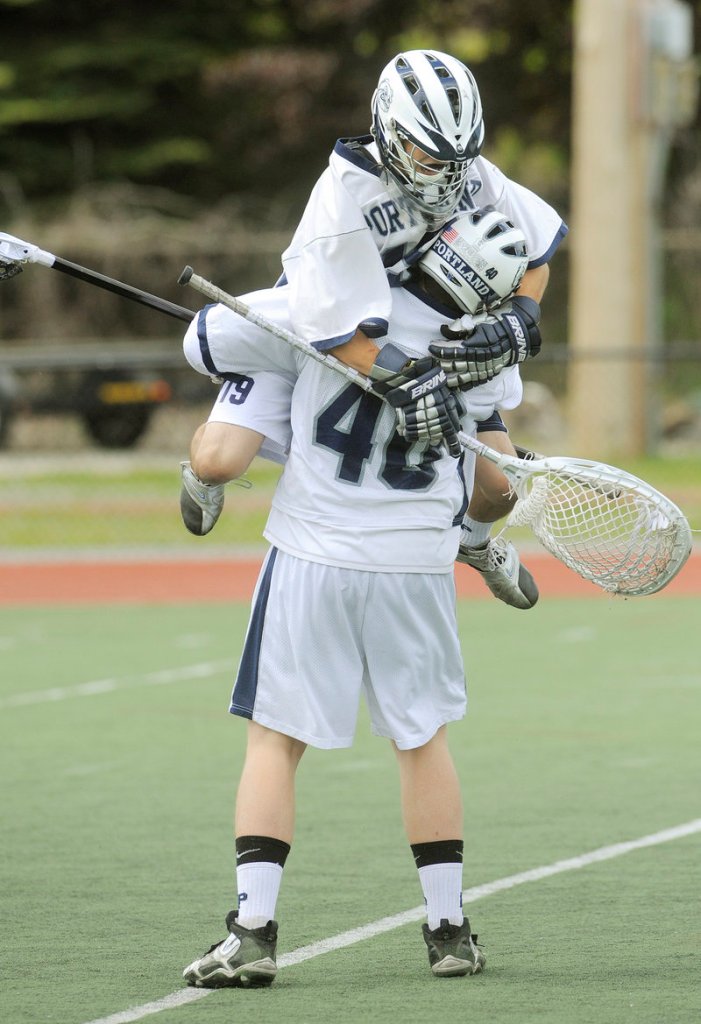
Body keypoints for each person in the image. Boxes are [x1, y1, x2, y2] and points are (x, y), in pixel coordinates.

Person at [180, 208, 529, 986]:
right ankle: (447, 930)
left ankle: (253, 931)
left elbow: (201, 338)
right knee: (421, 739)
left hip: (313, 550)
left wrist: (260, 333)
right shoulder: (481, 344)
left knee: (275, 740)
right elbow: (498, 485)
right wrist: (475, 530)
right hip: (415, 564)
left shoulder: (326, 306)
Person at [180, 48, 567, 610]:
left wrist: (518, 318)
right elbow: (334, 331)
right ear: (389, 131)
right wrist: (407, 379)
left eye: (456, 160)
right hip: (313, 337)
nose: (445, 176)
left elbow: (536, 255)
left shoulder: (473, 176)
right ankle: (197, 473)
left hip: (428, 335)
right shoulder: (343, 196)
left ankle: (474, 542)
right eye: (428, 157)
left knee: (499, 487)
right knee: (222, 459)